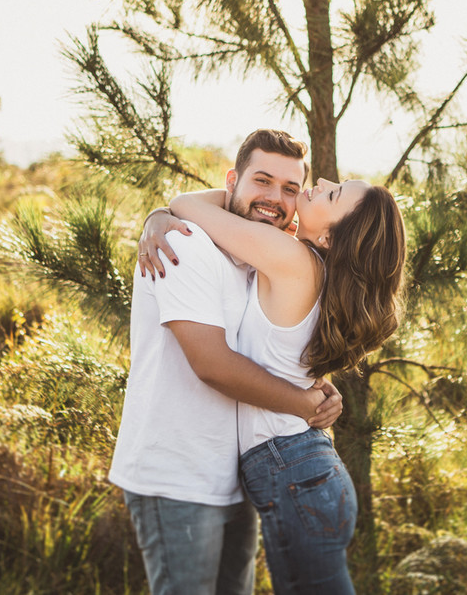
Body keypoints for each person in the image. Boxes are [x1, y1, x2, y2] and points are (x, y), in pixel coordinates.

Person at [141, 137, 407, 594]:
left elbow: (186, 204)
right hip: (306, 469)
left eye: (333, 193)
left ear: (329, 236)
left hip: (292, 472)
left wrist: (159, 216)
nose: (320, 182)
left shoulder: (288, 257)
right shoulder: (320, 271)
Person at [109, 129, 343, 595]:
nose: (274, 199)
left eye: (290, 189)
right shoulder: (186, 244)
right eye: (262, 181)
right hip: (178, 473)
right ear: (232, 181)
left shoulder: (256, 256)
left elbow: (269, 346)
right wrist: (301, 403)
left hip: (239, 474)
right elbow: (212, 363)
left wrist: (318, 383)